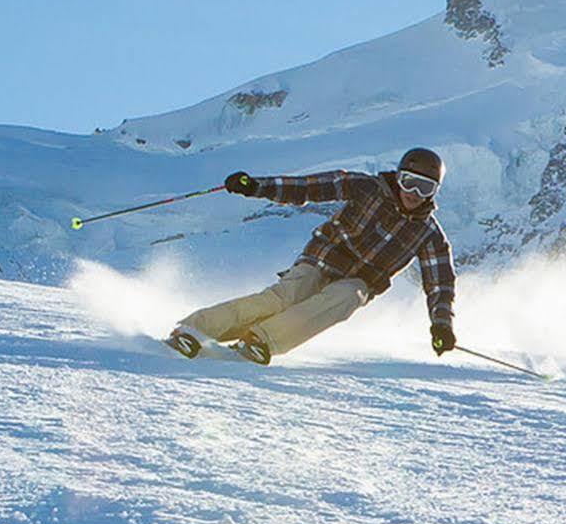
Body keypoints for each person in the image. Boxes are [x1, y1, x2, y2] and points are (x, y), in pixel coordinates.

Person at [166, 147, 457, 365]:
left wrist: (441, 325)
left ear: (435, 192)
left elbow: (440, 285)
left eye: (425, 188)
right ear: (398, 177)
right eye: (409, 182)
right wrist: (256, 186)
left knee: (348, 298)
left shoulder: (428, 233)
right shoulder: (368, 188)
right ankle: (194, 329)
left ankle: (261, 340)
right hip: (323, 258)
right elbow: (310, 188)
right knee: (284, 298)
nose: (414, 193)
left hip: (358, 281)